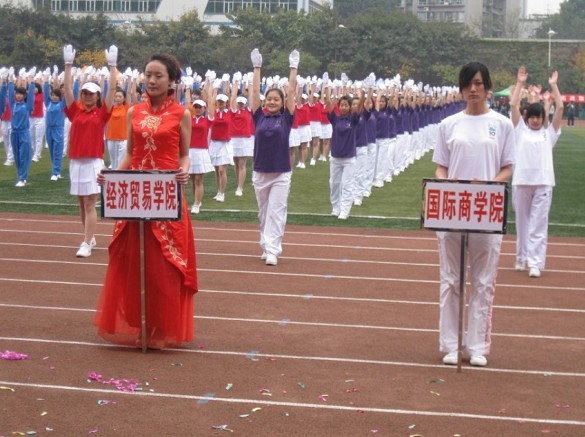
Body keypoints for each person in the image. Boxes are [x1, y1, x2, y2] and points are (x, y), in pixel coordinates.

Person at [95, 53, 197, 349]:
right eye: (148, 75)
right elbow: (130, 153)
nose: (151, 80)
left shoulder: (182, 113)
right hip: (136, 196)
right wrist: (113, 176)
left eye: (158, 76)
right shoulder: (134, 112)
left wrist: (184, 172)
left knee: (163, 266)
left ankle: (161, 326)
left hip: (165, 195)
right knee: (135, 262)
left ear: (172, 81)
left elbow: (184, 155)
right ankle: (140, 323)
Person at [432, 62, 515, 368]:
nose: (473, 89)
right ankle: (451, 344)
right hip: (453, 210)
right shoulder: (449, 124)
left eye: (479, 83)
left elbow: (507, 167)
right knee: (450, 280)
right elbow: (440, 166)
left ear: (487, 87)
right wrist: (447, 183)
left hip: (486, 210)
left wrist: (490, 184)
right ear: (461, 89)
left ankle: (477, 345)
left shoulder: (502, 125)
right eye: (468, 84)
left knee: (483, 281)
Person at [63, 45, 116, 257]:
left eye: (91, 93)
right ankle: (90, 236)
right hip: (76, 161)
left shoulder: (102, 113)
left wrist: (112, 66)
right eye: (84, 93)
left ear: (97, 96)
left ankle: (86, 242)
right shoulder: (75, 111)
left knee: (89, 203)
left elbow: (112, 90)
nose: (87, 96)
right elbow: (67, 89)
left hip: (93, 162)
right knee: (81, 202)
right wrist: (68, 65)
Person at [510, 66, 563, 278]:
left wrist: (554, 86)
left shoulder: (549, 134)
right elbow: (513, 105)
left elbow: (560, 108)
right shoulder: (520, 131)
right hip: (522, 182)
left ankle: (535, 262)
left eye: (538, 117)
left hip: (543, 183)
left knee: (538, 225)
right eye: (532, 117)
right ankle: (521, 257)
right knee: (522, 224)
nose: (535, 120)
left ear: (543, 118)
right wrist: (520, 83)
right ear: (527, 117)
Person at [250, 47, 298, 266]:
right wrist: (256, 68)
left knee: (276, 212)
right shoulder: (258, 117)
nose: (271, 102)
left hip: (281, 172)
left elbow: (292, 92)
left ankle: (272, 250)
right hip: (260, 171)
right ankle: (265, 243)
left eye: (275, 100)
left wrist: (293, 68)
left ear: (282, 102)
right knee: (263, 213)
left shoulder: (286, 118)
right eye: (268, 99)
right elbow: (254, 92)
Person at [0, 73, 35, 187]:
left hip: (24, 133)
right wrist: (9, 81)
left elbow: (31, 97)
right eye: (17, 94)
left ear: (24, 95)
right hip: (14, 133)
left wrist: (31, 82)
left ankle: (22, 178)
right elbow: (10, 95)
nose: (18, 96)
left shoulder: (27, 106)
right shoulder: (13, 105)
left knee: (24, 156)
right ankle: (21, 176)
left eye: (21, 94)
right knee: (17, 157)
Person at [185, 83, 214, 214]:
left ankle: (196, 204)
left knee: (198, 179)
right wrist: (187, 89)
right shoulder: (189, 119)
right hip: (190, 151)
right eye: (195, 107)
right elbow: (187, 105)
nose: (197, 109)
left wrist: (210, 88)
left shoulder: (207, 120)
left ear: (204, 109)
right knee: (192, 179)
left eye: (200, 107)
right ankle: (197, 200)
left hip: (201, 151)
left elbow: (211, 104)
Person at [43, 77, 66, 180]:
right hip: (49, 129)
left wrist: (65, 85)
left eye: (56, 96)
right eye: (52, 95)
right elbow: (45, 93)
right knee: (52, 151)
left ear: (60, 97)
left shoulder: (61, 104)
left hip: (58, 129)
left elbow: (67, 96)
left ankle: (55, 172)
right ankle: (56, 170)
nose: (54, 97)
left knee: (57, 151)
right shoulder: (48, 103)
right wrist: (46, 81)